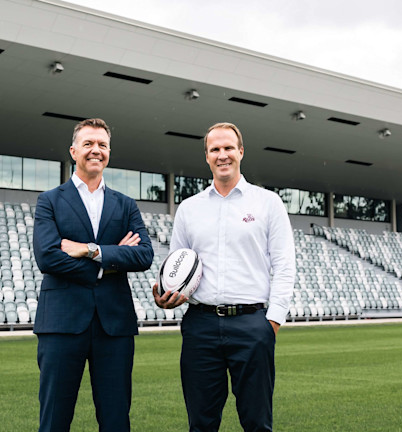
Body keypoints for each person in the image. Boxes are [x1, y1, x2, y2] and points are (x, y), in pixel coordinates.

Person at [154, 122, 296, 431]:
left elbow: (285, 265)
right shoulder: (189, 209)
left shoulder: (267, 203)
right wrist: (168, 296)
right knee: (201, 424)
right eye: (215, 149)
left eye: (228, 148)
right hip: (200, 326)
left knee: (257, 423)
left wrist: (271, 323)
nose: (222, 155)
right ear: (206, 156)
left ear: (241, 152)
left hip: (252, 325)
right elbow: (176, 265)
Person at [33, 118, 154, 432]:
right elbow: (48, 257)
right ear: (73, 151)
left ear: (109, 152)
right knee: (54, 421)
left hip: (114, 327)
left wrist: (91, 250)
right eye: (88, 144)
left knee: (116, 421)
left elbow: (143, 255)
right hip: (61, 324)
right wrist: (113, 259)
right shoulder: (50, 201)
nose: (95, 150)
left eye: (102, 144)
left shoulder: (125, 205)